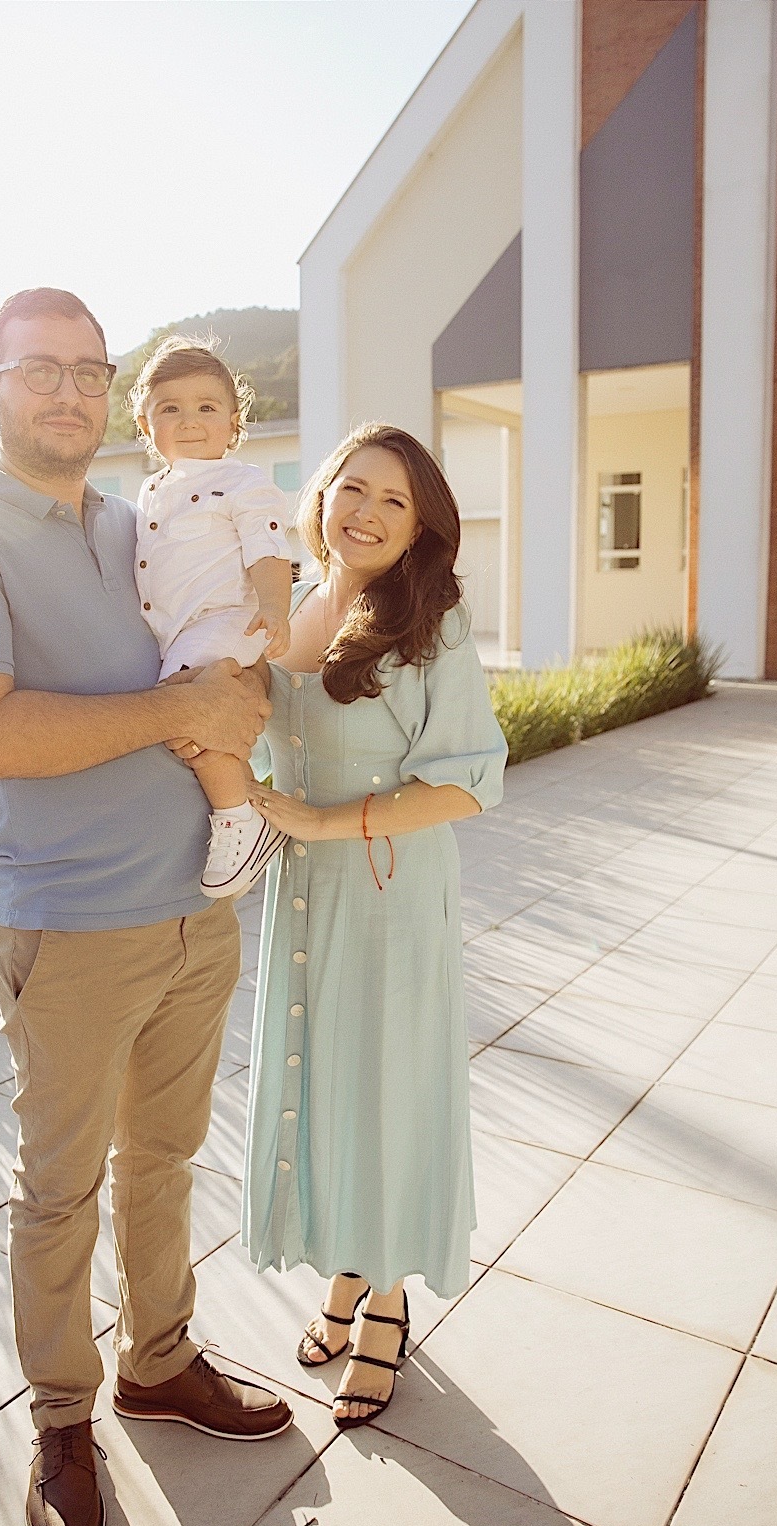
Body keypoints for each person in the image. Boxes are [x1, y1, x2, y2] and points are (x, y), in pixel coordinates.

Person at [0, 287, 293, 1526]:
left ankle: (160, 1361)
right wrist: (186, 706)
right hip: (68, 927)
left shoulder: (144, 515)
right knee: (60, 1188)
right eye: (36, 370)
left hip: (197, 905)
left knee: (164, 1161)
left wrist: (245, 690)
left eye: (85, 369)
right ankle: (62, 1418)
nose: (64, 391)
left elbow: (237, 644)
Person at [240, 423, 508, 1430]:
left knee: (384, 1090)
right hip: (303, 892)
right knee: (322, 1079)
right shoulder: (292, 608)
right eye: (350, 488)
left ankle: (383, 1300)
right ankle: (346, 1265)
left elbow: (471, 779)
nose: (364, 511)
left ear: (419, 526)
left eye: (392, 500)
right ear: (319, 496)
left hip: (388, 893)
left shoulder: (430, 624)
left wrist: (317, 817)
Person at [130, 335, 294, 896]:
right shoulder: (151, 493)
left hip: (228, 620)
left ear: (233, 423)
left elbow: (267, 546)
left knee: (184, 708)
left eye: (207, 407)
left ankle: (237, 819)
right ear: (147, 427)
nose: (190, 420)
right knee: (188, 718)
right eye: (169, 408)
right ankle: (250, 801)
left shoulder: (243, 482)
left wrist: (275, 605)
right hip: (180, 631)